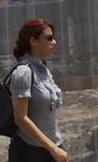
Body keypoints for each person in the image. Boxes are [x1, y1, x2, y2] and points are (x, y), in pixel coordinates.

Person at [9, 19, 68, 162]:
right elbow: (20, 118)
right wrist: (52, 148)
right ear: (33, 41)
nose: (54, 42)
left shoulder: (43, 70)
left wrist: (54, 147)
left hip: (52, 146)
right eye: (49, 38)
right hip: (30, 152)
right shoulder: (23, 72)